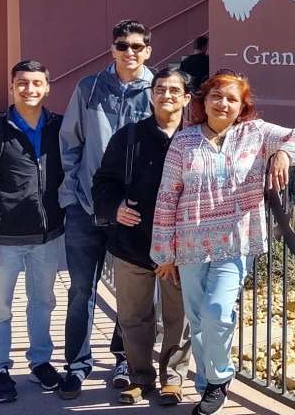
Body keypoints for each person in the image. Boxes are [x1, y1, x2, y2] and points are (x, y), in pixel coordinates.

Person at [151, 71, 295, 415]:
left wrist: (284, 154)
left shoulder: (255, 134)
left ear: (242, 106)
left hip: (235, 243)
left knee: (217, 312)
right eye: (216, 96)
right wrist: (164, 253)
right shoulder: (184, 142)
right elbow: (167, 197)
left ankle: (219, 377)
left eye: (231, 99)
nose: (223, 104)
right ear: (204, 100)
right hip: (190, 244)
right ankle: (208, 382)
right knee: (197, 319)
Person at [57, 19, 155, 399]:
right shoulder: (90, 88)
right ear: (112, 48)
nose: (129, 52)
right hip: (87, 206)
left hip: (134, 212)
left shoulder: (158, 90)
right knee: (81, 290)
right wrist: (72, 195)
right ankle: (77, 366)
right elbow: (71, 144)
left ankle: (124, 360)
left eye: (136, 45)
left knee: (134, 294)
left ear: (147, 49)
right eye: (121, 45)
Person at [0, 60, 65, 403]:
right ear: (12, 87)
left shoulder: (60, 128)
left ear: (47, 87)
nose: (30, 89)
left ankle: (40, 362)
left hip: (48, 236)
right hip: (4, 241)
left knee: (43, 303)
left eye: (37, 83)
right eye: (22, 83)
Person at [91, 67, 193, 405]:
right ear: (151, 95)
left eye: (174, 90)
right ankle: (140, 378)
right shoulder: (129, 136)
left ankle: (173, 378)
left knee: (177, 317)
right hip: (132, 244)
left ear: (187, 98)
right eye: (160, 88)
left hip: (180, 248)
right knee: (134, 317)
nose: (167, 95)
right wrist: (114, 206)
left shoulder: (196, 140)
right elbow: (103, 181)